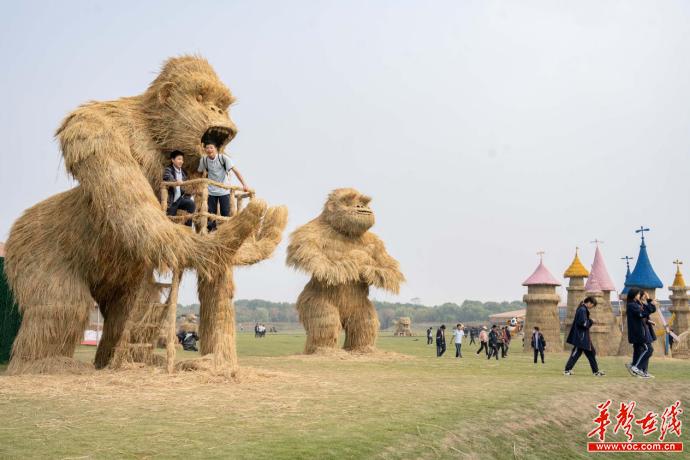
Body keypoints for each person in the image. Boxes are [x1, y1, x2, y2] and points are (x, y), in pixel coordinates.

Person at [197, 140, 249, 231]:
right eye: (207, 148)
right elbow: (199, 173)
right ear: (204, 149)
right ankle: (211, 233)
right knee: (210, 215)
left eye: (211, 147)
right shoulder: (204, 160)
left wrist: (244, 184)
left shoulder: (223, 158)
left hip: (224, 191)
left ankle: (226, 232)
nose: (209, 150)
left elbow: (236, 171)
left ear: (216, 149)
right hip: (211, 191)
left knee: (225, 213)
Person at [564, 296, 605, 376]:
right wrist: (591, 321)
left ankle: (595, 372)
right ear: (589, 302)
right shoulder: (582, 310)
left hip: (584, 337)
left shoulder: (582, 309)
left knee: (591, 353)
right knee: (576, 353)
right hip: (581, 337)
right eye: (592, 306)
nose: (591, 308)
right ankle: (567, 370)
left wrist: (589, 321)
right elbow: (583, 323)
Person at [625, 288, 656, 378]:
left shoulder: (637, 304)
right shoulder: (632, 305)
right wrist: (650, 304)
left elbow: (649, 311)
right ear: (634, 295)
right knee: (648, 349)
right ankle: (636, 367)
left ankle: (641, 370)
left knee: (640, 351)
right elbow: (643, 313)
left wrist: (649, 300)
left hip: (642, 332)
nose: (640, 296)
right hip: (639, 333)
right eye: (639, 294)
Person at [163, 151, 195, 226]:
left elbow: (186, 186)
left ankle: (188, 227)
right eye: (179, 159)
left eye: (182, 160)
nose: (181, 161)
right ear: (173, 160)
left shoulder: (183, 172)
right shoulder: (169, 169)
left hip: (180, 199)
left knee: (191, 204)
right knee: (170, 219)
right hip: (172, 199)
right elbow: (167, 177)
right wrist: (175, 181)